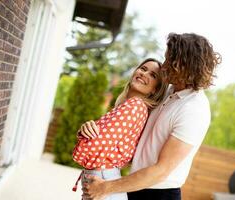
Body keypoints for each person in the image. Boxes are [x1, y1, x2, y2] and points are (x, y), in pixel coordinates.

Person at [80, 33, 221, 200]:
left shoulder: (194, 110)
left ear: (186, 67)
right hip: (133, 185)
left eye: (171, 61)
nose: (164, 65)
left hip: (158, 194)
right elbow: (128, 126)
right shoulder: (168, 91)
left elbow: (161, 170)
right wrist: (94, 129)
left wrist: (106, 188)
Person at [72, 58, 169, 200]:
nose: (144, 74)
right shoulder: (129, 106)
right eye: (143, 69)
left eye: (153, 75)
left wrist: (82, 147)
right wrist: (85, 131)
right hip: (102, 176)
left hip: (102, 177)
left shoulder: (135, 106)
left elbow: (95, 145)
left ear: (155, 89)